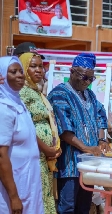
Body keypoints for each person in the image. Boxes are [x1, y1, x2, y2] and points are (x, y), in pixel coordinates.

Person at [48, 53, 111, 214]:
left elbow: (100, 115)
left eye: (91, 79)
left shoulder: (89, 94)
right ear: (72, 71)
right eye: (84, 77)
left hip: (89, 164)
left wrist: (102, 138)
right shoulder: (59, 94)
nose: (87, 82)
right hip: (70, 164)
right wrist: (86, 148)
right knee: (68, 207)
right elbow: (64, 129)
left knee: (84, 207)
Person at [0, 56, 44, 213]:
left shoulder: (17, 103)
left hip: (27, 183)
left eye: (20, 70)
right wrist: (13, 197)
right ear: (2, 76)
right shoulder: (3, 108)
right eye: (13, 72)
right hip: (13, 188)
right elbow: (1, 155)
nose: (20, 75)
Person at [19, 53, 61, 214]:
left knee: (44, 196)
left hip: (43, 157)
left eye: (41, 67)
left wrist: (54, 148)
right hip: (31, 156)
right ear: (23, 68)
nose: (39, 70)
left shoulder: (37, 92)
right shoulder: (22, 93)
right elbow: (24, 127)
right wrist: (46, 148)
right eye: (33, 66)